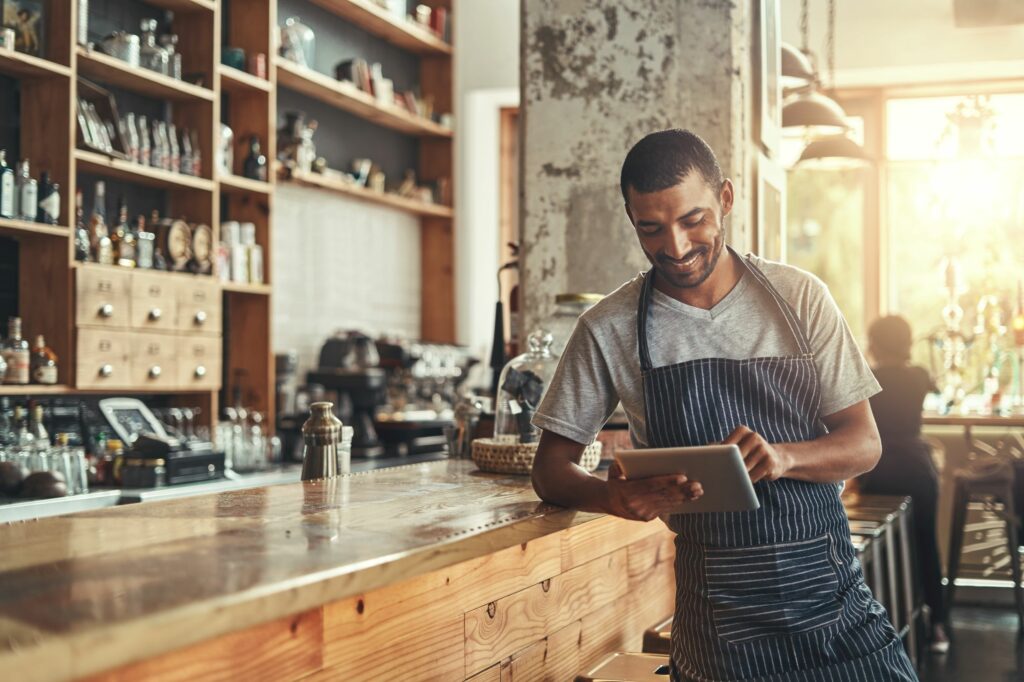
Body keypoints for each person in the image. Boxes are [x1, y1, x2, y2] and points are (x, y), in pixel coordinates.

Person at [530, 129, 917, 681]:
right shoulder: (609, 327)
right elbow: (550, 468)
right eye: (651, 228)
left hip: (834, 614)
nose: (677, 247)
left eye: (693, 220)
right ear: (631, 219)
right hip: (718, 631)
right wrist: (612, 497)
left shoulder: (800, 298)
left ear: (726, 200)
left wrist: (783, 458)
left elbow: (864, 444)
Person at [862, 315, 949, 653]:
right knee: (927, 544)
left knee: (882, 546)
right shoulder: (919, 375)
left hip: (880, 468)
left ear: (875, 344)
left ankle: (880, 623)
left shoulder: (870, 377)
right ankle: (938, 626)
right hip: (918, 467)